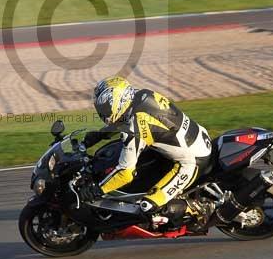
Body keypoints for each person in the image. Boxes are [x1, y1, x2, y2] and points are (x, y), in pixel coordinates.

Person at [79, 76, 213, 215]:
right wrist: (100, 135)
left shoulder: (134, 128)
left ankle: (199, 209)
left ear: (118, 101)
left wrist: (97, 190)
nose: (103, 113)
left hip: (192, 161)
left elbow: (125, 173)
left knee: (147, 206)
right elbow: (130, 119)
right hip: (198, 137)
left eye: (105, 108)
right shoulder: (143, 95)